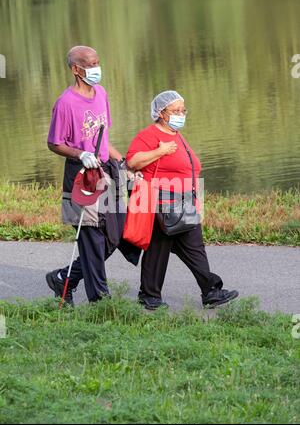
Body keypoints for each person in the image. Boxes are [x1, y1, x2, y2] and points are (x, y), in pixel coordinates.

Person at [126, 90, 239, 310]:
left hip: (185, 203)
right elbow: (133, 161)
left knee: (193, 247)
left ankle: (209, 292)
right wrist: (160, 151)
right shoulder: (149, 135)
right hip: (162, 202)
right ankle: (151, 296)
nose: (181, 114)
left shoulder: (175, 133)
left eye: (183, 110)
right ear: (161, 112)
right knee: (160, 247)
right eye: (175, 110)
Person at [46, 45, 139, 306]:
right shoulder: (65, 103)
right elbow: (54, 143)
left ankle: (64, 277)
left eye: (98, 62)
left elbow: (103, 138)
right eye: (91, 63)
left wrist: (124, 163)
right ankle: (101, 302)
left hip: (107, 172)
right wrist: (79, 154)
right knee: (92, 238)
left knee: (115, 235)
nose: (97, 68)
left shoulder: (101, 93)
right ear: (77, 69)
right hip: (82, 177)